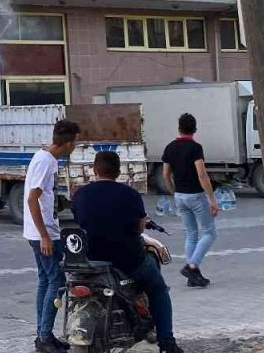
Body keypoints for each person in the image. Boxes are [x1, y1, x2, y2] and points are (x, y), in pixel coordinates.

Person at [73, 151, 182, 353]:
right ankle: (167, 342)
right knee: (158, 290)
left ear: (94, 170)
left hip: (92, 261)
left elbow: (81, 221)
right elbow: (140, 228)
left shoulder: (79, 195)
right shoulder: (130, 194)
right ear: (118, 171)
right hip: (128, 261)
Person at [24, 119, 79, 353]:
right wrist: (45, 236)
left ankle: (43, 335)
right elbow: (31, 199)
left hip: (41, 231)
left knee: (46, 280)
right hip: (43, 233)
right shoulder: (45, 162)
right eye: (75, 142)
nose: (76, 146)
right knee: (57, 281)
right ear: (67, 143)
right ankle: (44, 337)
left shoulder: (46, 158)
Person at [161, 113, 218, 287]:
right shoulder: (195, 148)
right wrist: (212, 199)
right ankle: (192, 266)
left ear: (179, 127)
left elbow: (165, 175)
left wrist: (173, 191)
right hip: (196, 195)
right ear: (194, 129)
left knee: (191, 234)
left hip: (180, 196)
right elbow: (201, 174)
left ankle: (193, 277)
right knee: (209, 232)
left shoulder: (169, 147)